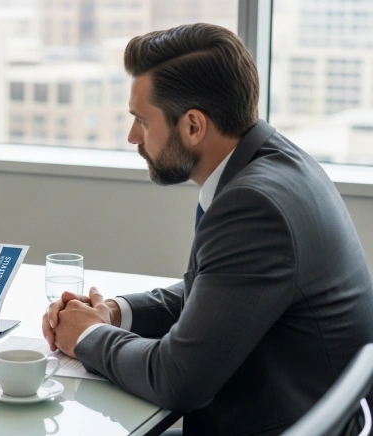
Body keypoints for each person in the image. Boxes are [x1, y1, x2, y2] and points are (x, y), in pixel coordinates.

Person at [42, 23, 373, 435]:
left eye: (142, 122)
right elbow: (219, 291)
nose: (132, 137)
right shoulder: (276, 163)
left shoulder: (254, 207)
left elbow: (176, 380)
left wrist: (88, 335)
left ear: (194, 126)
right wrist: (115, 313)